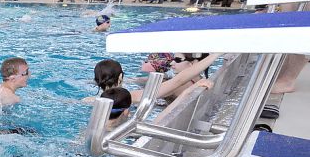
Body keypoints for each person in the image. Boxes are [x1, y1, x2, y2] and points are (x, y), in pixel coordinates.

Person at [88, 55, 218, 105]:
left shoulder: (89, 101)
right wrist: (216, 54)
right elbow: (177, 81)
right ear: (121, 77)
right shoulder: (131, 96)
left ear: (96, 81)